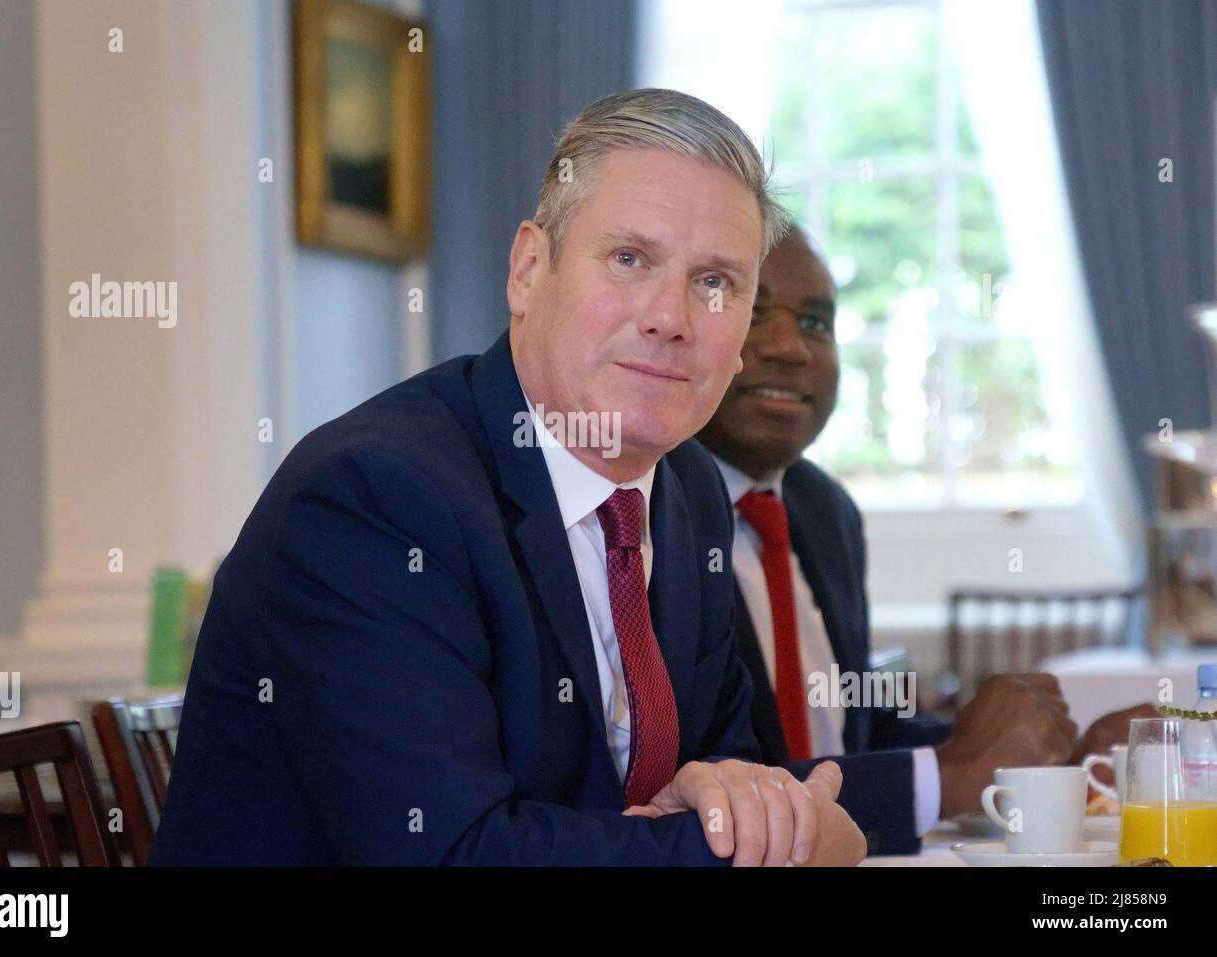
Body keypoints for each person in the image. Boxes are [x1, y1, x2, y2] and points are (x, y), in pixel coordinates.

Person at [150, 89, 867, 866]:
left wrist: (751, 806)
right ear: (528, 269)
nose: (671, 317)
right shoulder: (372, 498)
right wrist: (776, 844)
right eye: (630, 259)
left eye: (716, 282)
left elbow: (729, 772)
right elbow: (456, 852)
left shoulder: (688, 488)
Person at [696, 227, 1154, 854]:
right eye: (755, 313)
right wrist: (951, 772)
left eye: (816, 322)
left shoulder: (823, 510)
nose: (791, 347)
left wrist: (1039, 759)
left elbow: (851, 735)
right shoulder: (647, 512)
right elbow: (707, 781)